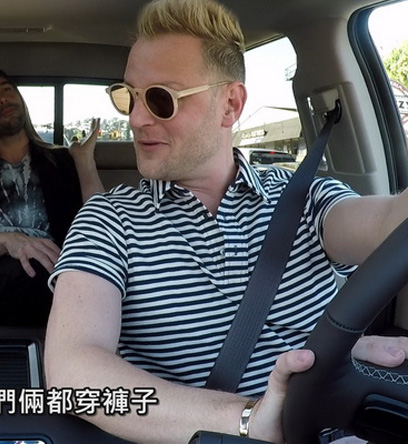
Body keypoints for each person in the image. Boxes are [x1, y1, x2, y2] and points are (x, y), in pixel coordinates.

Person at [44, 1, 408, 443]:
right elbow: (73, 375)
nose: (136, 118)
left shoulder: (305, 198)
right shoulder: (108, 220)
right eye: (129, 96)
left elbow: (388, 223)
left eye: (160, 99)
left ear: (230, 105)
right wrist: (247, 419)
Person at [0, 66, 103, 327]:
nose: (3, 98)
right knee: (33, 275)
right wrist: (10, 241)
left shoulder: (61, 160)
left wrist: (84, 162)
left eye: (6, 89)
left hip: (56, 274)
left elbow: (101, 225)